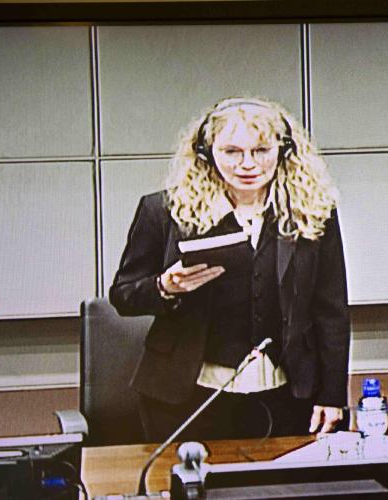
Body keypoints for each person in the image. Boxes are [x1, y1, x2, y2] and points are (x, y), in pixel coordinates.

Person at [110, 97, 350, 442]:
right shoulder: (162, 211)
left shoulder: (313, 214)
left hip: (287, 394)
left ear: (283, 151)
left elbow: (331, 311)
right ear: (207, 153)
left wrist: (332, 395)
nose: (248, 164)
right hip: (188, 396)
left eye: (261, 150)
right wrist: (165, 287)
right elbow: (123, 295)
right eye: (232, 152)